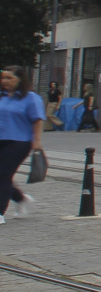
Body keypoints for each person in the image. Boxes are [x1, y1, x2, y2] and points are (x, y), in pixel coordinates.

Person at [0, 66, 46, 224]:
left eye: (9, 78)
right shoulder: (2, 97)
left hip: (20, 141)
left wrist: (37, 141)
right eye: (3, 78)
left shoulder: (30, 98)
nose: (5, 81)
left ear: (19, 79)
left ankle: (0, 212)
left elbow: (38, 119)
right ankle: (20, 198)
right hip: (1, 140)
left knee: (3, 174)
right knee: (3, 175)